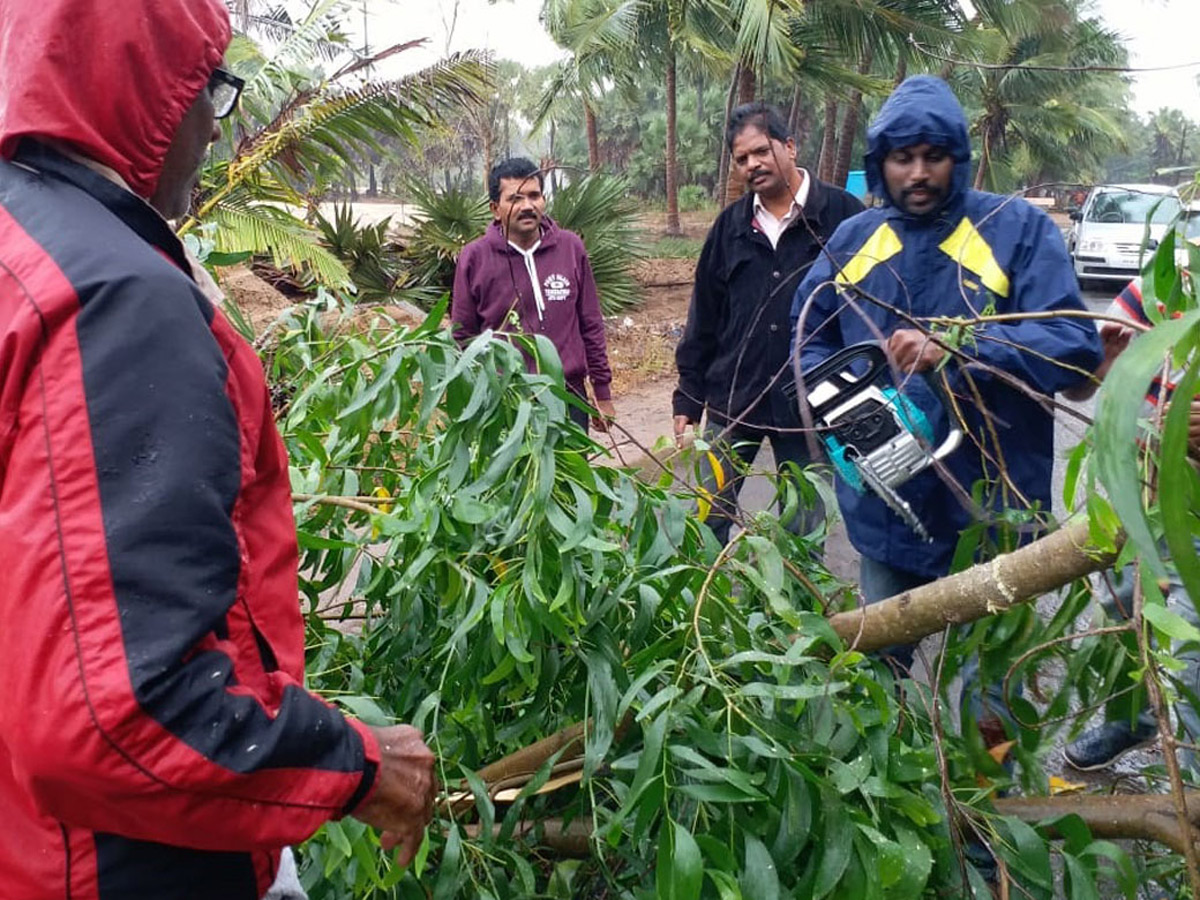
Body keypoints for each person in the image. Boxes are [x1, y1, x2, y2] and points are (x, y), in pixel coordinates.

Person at [0, 1, 436, 897]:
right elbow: (119, 711)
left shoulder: (21, 250)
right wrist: (351, 765)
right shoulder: (114, 301)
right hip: (117, 861)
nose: (214, 129)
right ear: (154, 93)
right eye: (214, 91)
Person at [791, 76, 1102, 720]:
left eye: (934, 156)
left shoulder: (1016, 230)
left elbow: (1074, 342)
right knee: (880, 682)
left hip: (995, 504)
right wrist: (855, 414)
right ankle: (884, 807)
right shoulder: (852, 241)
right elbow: (809, 345)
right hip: (889, 510)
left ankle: (986, 808)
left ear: (958, 158)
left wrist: (963, 350)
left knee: (991, 686)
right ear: (881, 164)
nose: (919, 173)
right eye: (903, 159)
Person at [672, 103, 864, 543]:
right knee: (706, 521)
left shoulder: (844, 217)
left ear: (790, 146)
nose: (752, 164)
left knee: (803, 531)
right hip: (732, 400)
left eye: (761, 151)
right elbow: (704, 315)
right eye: (742, 159)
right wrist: (688, 397)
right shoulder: (730, 227)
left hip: (810, 406)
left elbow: (868, 311)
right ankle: (704, 604)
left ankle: (792, 610)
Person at [1061, 275, 1200, 772]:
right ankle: (1133, 718)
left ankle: (1190, 794)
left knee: (1190, 656)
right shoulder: (1165, 280)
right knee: (1122, 613)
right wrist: (1101, 363)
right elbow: (1080, 384)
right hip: (1135, 496)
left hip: (1194, 515)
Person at [452, 157, 615, 432]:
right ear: (495, 208)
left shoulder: (570, 248)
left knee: (570, 474)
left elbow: (591, 323)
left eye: (534, 196)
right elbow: (463, 337)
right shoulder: (474, 258)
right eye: (515, 198)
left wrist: (602, 391)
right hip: (505, 402)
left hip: (568, 397)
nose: (527, 206)